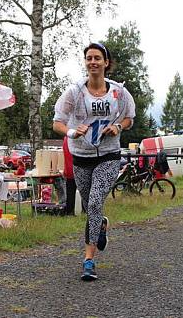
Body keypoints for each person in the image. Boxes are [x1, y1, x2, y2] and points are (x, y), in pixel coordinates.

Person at [53, 42, 135, 281]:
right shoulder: (74, 92)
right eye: (89, 58)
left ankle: (88, 260)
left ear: (106, 63)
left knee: (97, 200)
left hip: (109, 155)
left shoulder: (119, 92)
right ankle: (101, 224)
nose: (93, 62)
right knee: (91, 207)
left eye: (98, 58)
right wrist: (71, 132)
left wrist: (118, 126)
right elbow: (57, 122)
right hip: (81, 156)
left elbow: (129, 118)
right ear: (85, 62)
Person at [62, 136, 77, 215]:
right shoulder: (76, 138)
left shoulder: (65, 139)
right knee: (84, 192)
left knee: (70, 193)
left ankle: (69, 211)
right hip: (78, 169)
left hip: (68, 170)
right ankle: (85, 210)